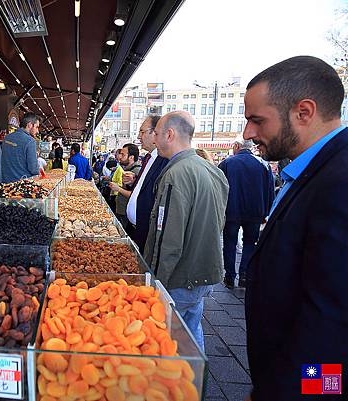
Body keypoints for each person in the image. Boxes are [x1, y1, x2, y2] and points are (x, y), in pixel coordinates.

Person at [242, 56, 348, 401]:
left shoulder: (340, 180)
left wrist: (285, 393)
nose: (248, 133)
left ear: (304, 112)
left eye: (257, 120)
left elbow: (331, 322)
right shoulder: (314, 169)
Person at [144, 111, 229, 351]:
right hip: (203, 273)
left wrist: (156, 283)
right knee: (192, 330)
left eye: (158, 134)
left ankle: (176, 385)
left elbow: (167, 236)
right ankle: (196, 383)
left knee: (167, 339)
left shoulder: (175, 174)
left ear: (169, 135)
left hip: (179, 278)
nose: (155, 139)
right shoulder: (213, 171)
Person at [218, 137, 274, 289]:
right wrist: (266, 211)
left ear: (237, 146)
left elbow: (219, 188)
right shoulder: (263, 164)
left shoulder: (228, 163)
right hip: (255, 211)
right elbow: (270, 189)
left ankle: (229, 276)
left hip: (232, 210)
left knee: (230, 242)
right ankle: (244, 274)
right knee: (250, 242)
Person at [125, 115, 168, 253]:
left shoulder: (164, 160)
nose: (139, 136)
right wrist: (134, 182)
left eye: (142, 132)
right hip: (134, 228)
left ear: (155, 133)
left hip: (146, 232)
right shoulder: (148, 158)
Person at [108, 143, 141, 230]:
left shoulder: (136, 171)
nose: (120, 157)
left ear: (131, 157)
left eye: (123, 154)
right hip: (122, 210)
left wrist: (118, 189)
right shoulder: (126, 169)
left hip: (127, 213)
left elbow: (135, 195)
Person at [1, 112, 40, 183]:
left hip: (5, 183)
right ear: (30, 125)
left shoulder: (6, 138)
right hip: (22, 185)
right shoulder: (30, 141)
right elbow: (33, 169)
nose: (37, 131)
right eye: (36, 127)